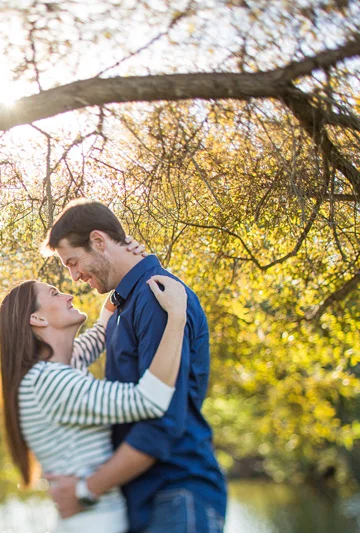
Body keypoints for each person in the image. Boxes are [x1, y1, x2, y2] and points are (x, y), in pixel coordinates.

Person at [42, 199, 227, 533]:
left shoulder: (159, 297)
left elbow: (161, 422)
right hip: (143, 497)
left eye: (73, 261)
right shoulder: (123, 307)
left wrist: (87, 489)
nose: (74, 276)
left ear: (98, 241)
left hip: (176, 492)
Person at [0, 267, 188, 532]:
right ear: (37, 319)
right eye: (54, 293)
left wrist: (123, 278)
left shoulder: (57, 369)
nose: (68, 295)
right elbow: (149, 400)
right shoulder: (51, 382)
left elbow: (101, 331)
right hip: (94, 524)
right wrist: (177, 317)